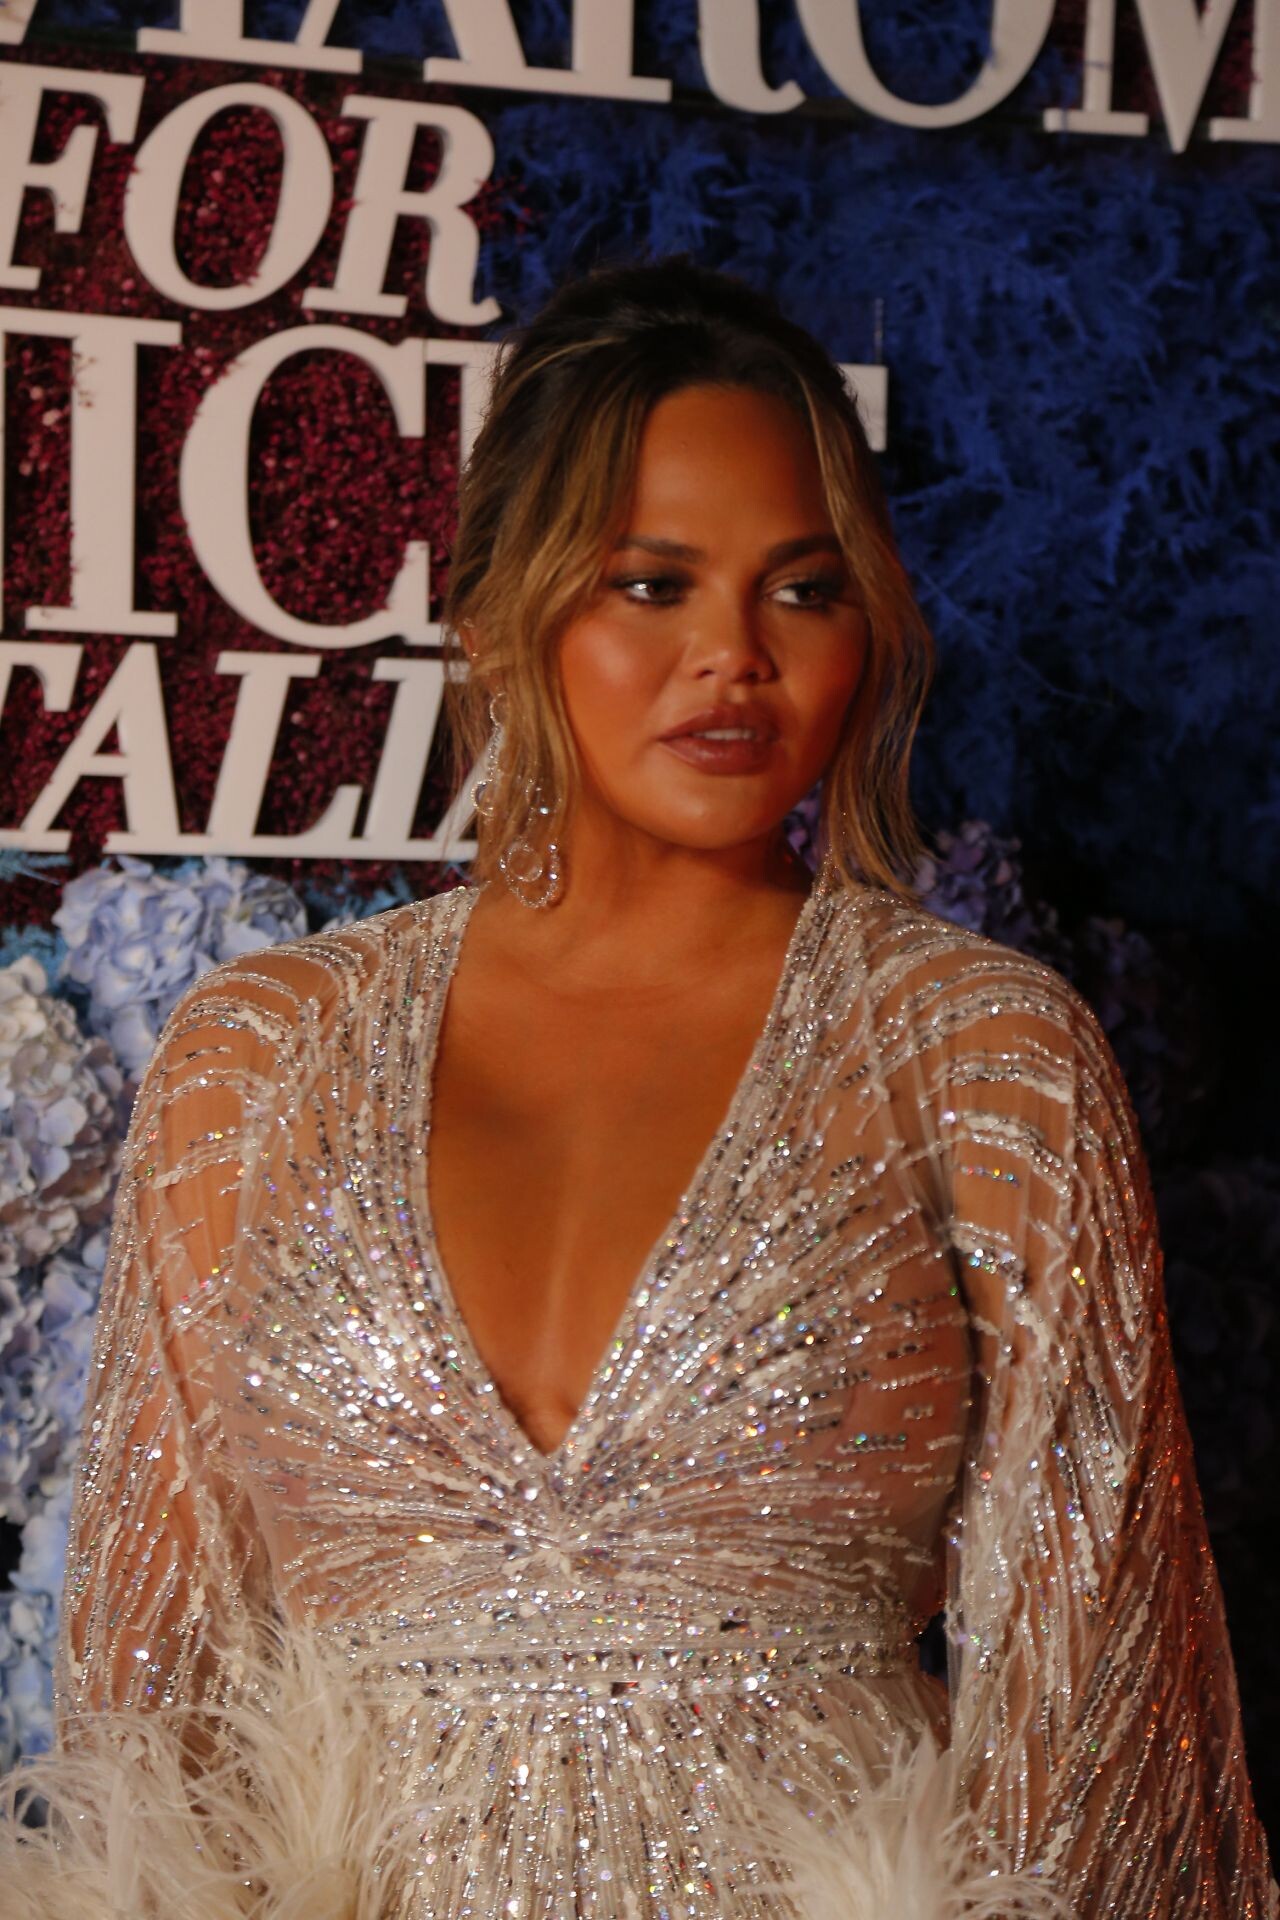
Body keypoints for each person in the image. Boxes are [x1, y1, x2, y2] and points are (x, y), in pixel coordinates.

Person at [4, 258, 1275, 1918]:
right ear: (496, 619)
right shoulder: (259, 1055)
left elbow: (1098, 1720)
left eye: (803, 590)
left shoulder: (979, 1050)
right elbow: (149, 1719)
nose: (733, 657)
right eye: (652, 584)